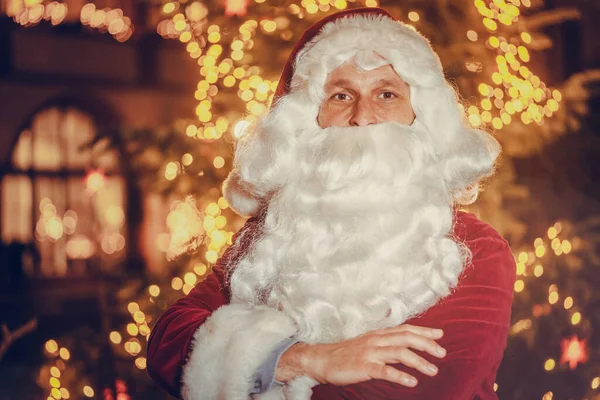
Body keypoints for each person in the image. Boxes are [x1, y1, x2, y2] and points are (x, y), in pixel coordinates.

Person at [147, 7, 516, 400]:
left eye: (386, 94)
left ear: (420, 117)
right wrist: (305, 360)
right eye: (341, 95)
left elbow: (410, 389)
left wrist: (250, 371)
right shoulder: (270, 237)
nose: (363, 117)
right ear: (310, 118)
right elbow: (170, 341)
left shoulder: (476, 251)